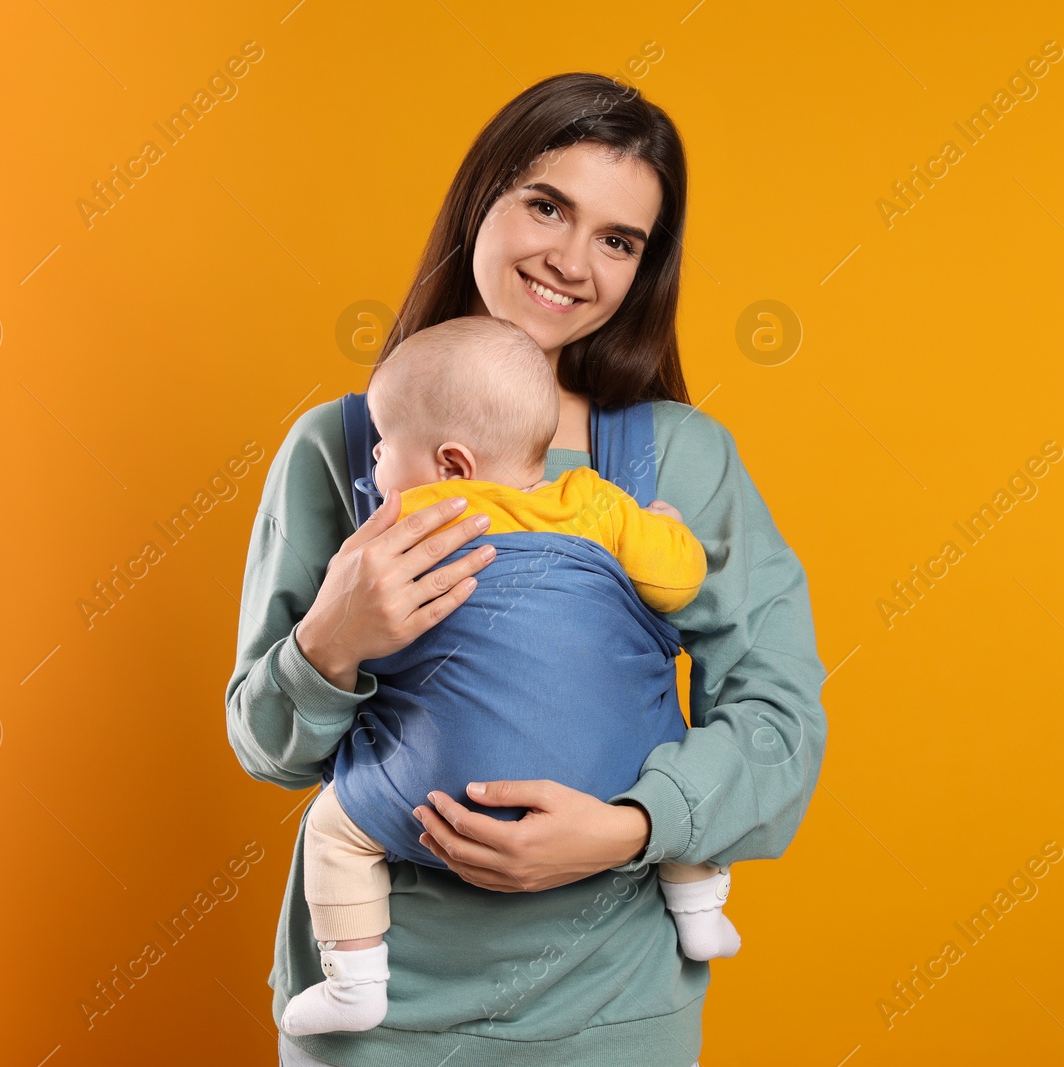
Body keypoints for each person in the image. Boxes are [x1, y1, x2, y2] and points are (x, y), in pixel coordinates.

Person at [225, 71, 826, 1067]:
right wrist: (329, 642)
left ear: (644, 269)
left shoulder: (678, 460)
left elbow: (779, 721)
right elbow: (269, 746)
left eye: (617, 239)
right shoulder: (343, 448)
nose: (570, 260)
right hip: (381, 1012)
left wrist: (633, 825)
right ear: (482, 201)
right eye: (545, 204)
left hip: (615, 1003)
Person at [281, 314, 740, 1037]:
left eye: (385, 444)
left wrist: (334, 634)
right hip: (604, 781)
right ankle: (700, 907)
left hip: (431, 798)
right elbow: (677, 586)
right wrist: (667, 526)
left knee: (336, 826)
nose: (372, 460)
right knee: (676, 760)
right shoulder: (593, 501)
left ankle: (355, 979)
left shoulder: (401, 526)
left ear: (452, 466)